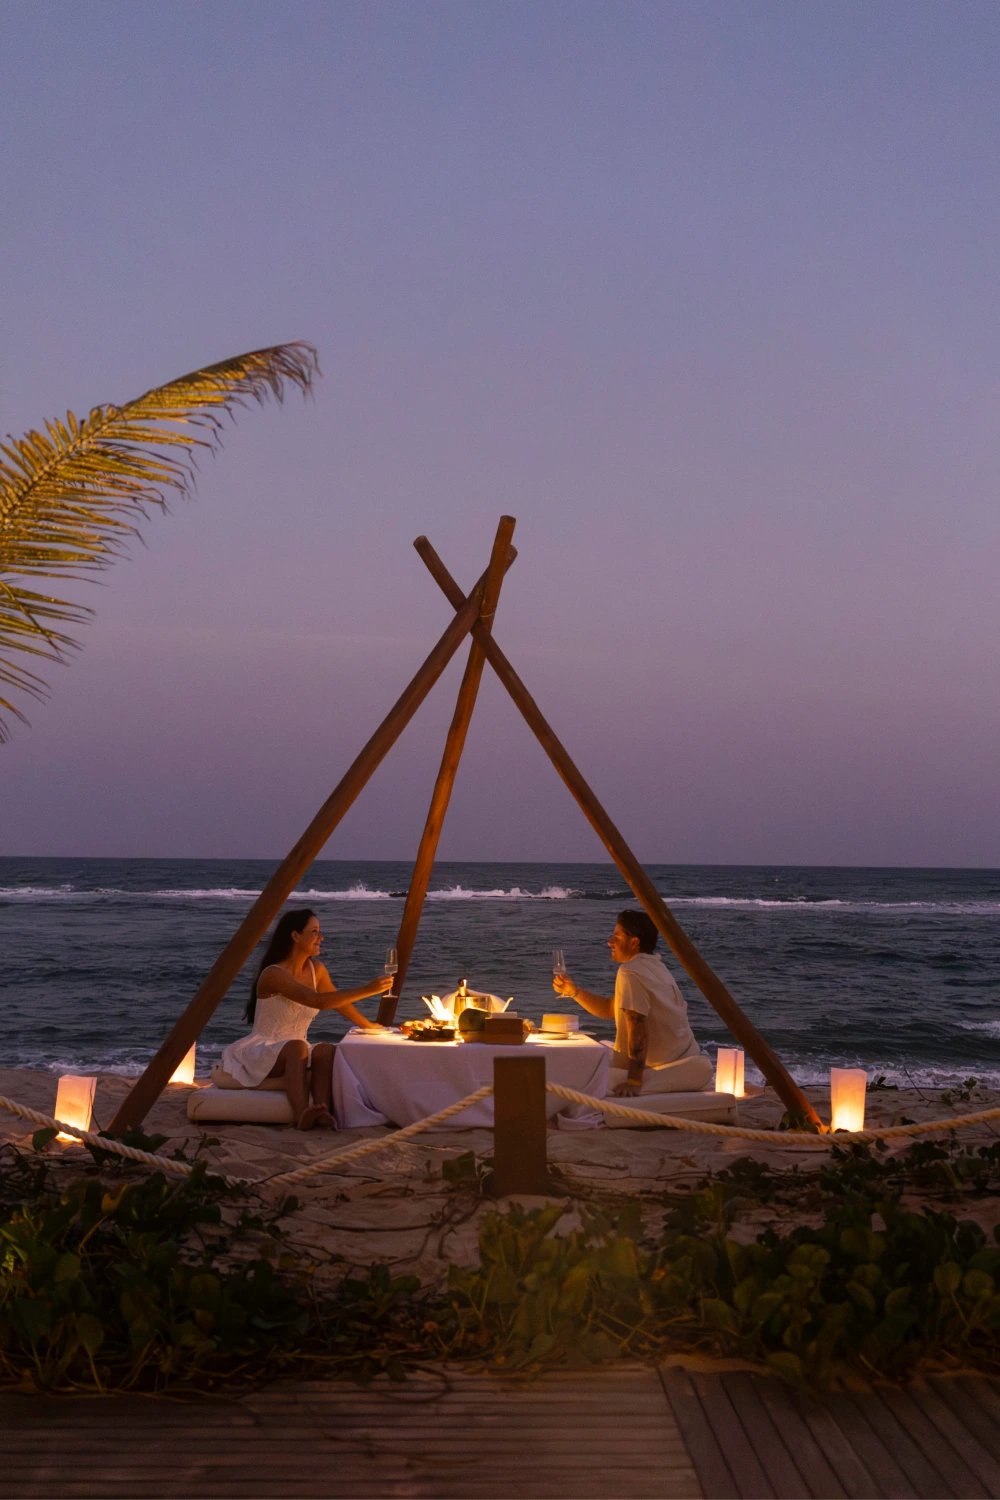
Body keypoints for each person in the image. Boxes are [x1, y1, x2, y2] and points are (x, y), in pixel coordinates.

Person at [220, 908, 392, 1129]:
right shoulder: (273, 974)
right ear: (295, 936)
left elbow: (337, 1002)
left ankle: (321, 1110)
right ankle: (301, 1114)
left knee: (325, 1049)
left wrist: (368, 1026)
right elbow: (317, 1000)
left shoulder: (315, 969)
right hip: (264, 1048)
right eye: (314, 932)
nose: (321, 937)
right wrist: (368, 989)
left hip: (295, 1048)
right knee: (297, 1047)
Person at [552, 909, 712, 1097]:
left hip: (664, 1068)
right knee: (600, 1048)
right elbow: (609, 1008)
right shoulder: (655, 965)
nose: (610, 942)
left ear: (634, 943)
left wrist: (633, 1082)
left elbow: (637, 1027)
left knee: (573, 1078)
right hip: (687, 1058)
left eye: (617, 937)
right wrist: (574, 992)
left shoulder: (630, 972)